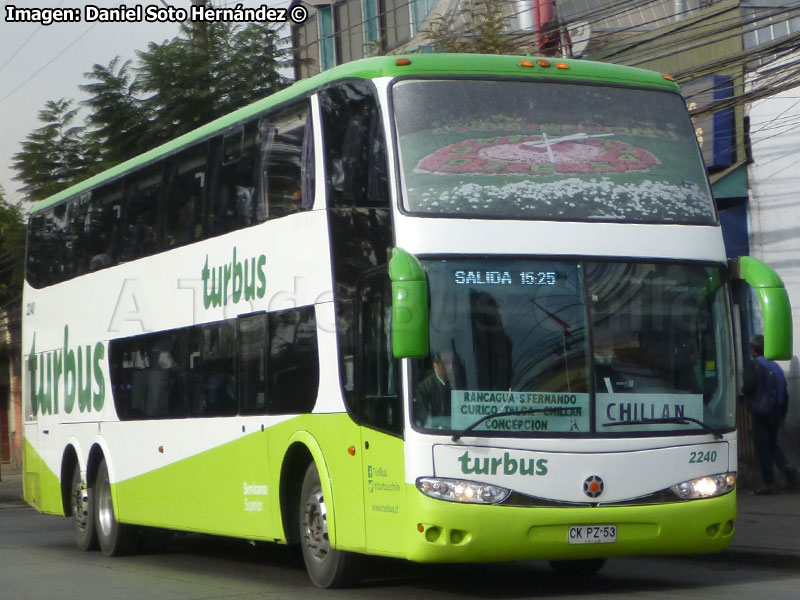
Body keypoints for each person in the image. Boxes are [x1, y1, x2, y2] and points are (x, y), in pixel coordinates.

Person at [742, 334, 797, 494]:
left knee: (763, 447)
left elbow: (749, 386)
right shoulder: (775, 366)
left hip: (761, 412)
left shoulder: (754, 365)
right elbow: (784, 392)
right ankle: (787, 468)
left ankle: (769, 483)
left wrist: (744, 393)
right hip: (776, 413)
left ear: (753, 350)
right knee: (773, 445)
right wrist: (783, 413)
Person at [414, 352, 454, 427]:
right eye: (446, 363)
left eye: (453, 362)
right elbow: (423, 421)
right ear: (435, 366)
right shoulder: (424, 389)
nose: (451, 366)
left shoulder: (458, 383)